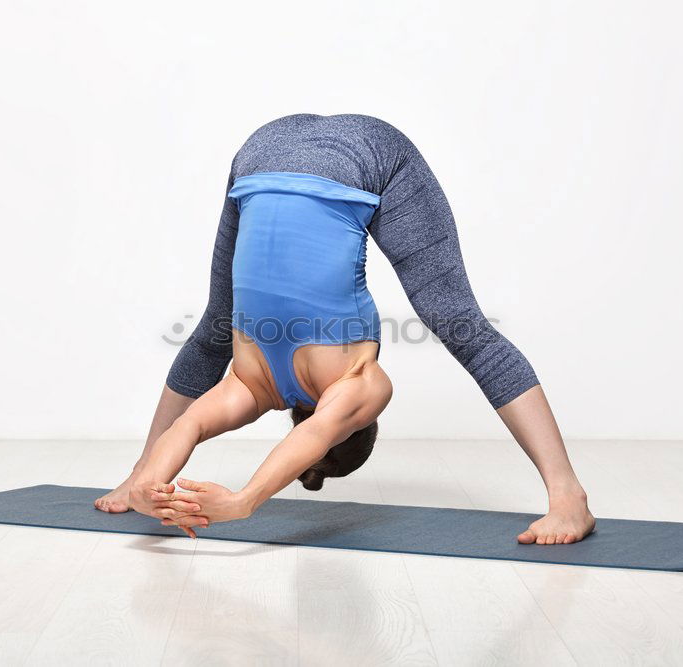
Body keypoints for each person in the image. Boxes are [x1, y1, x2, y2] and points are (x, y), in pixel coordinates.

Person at [96, 113, 596, 545]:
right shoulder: (252, 385)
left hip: (284, 148)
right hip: (264, 160)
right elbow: (277, 432)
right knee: (217, 326)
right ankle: (566, 494)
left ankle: (568, 494)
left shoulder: (351, 382)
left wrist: (192, 491)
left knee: (460, 325)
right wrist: (189, 493)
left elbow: (313, 435)